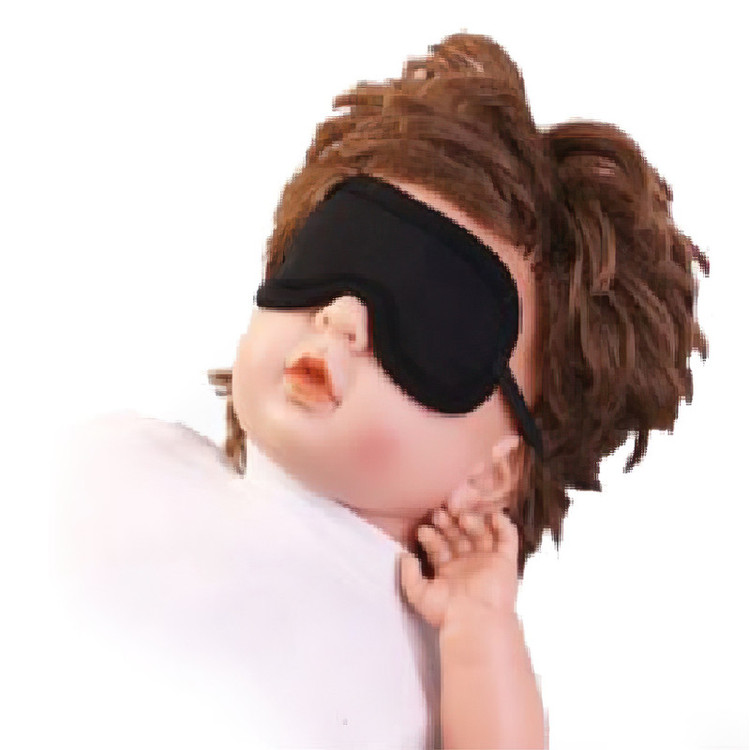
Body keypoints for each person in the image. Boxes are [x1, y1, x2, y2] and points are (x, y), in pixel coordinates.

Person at [56, 31, 709, 750]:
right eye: (336, 250)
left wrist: (480, 631)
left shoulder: (445, 658)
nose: (341, 316)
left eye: (430, 313)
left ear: (496, 470)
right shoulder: (124, 451)